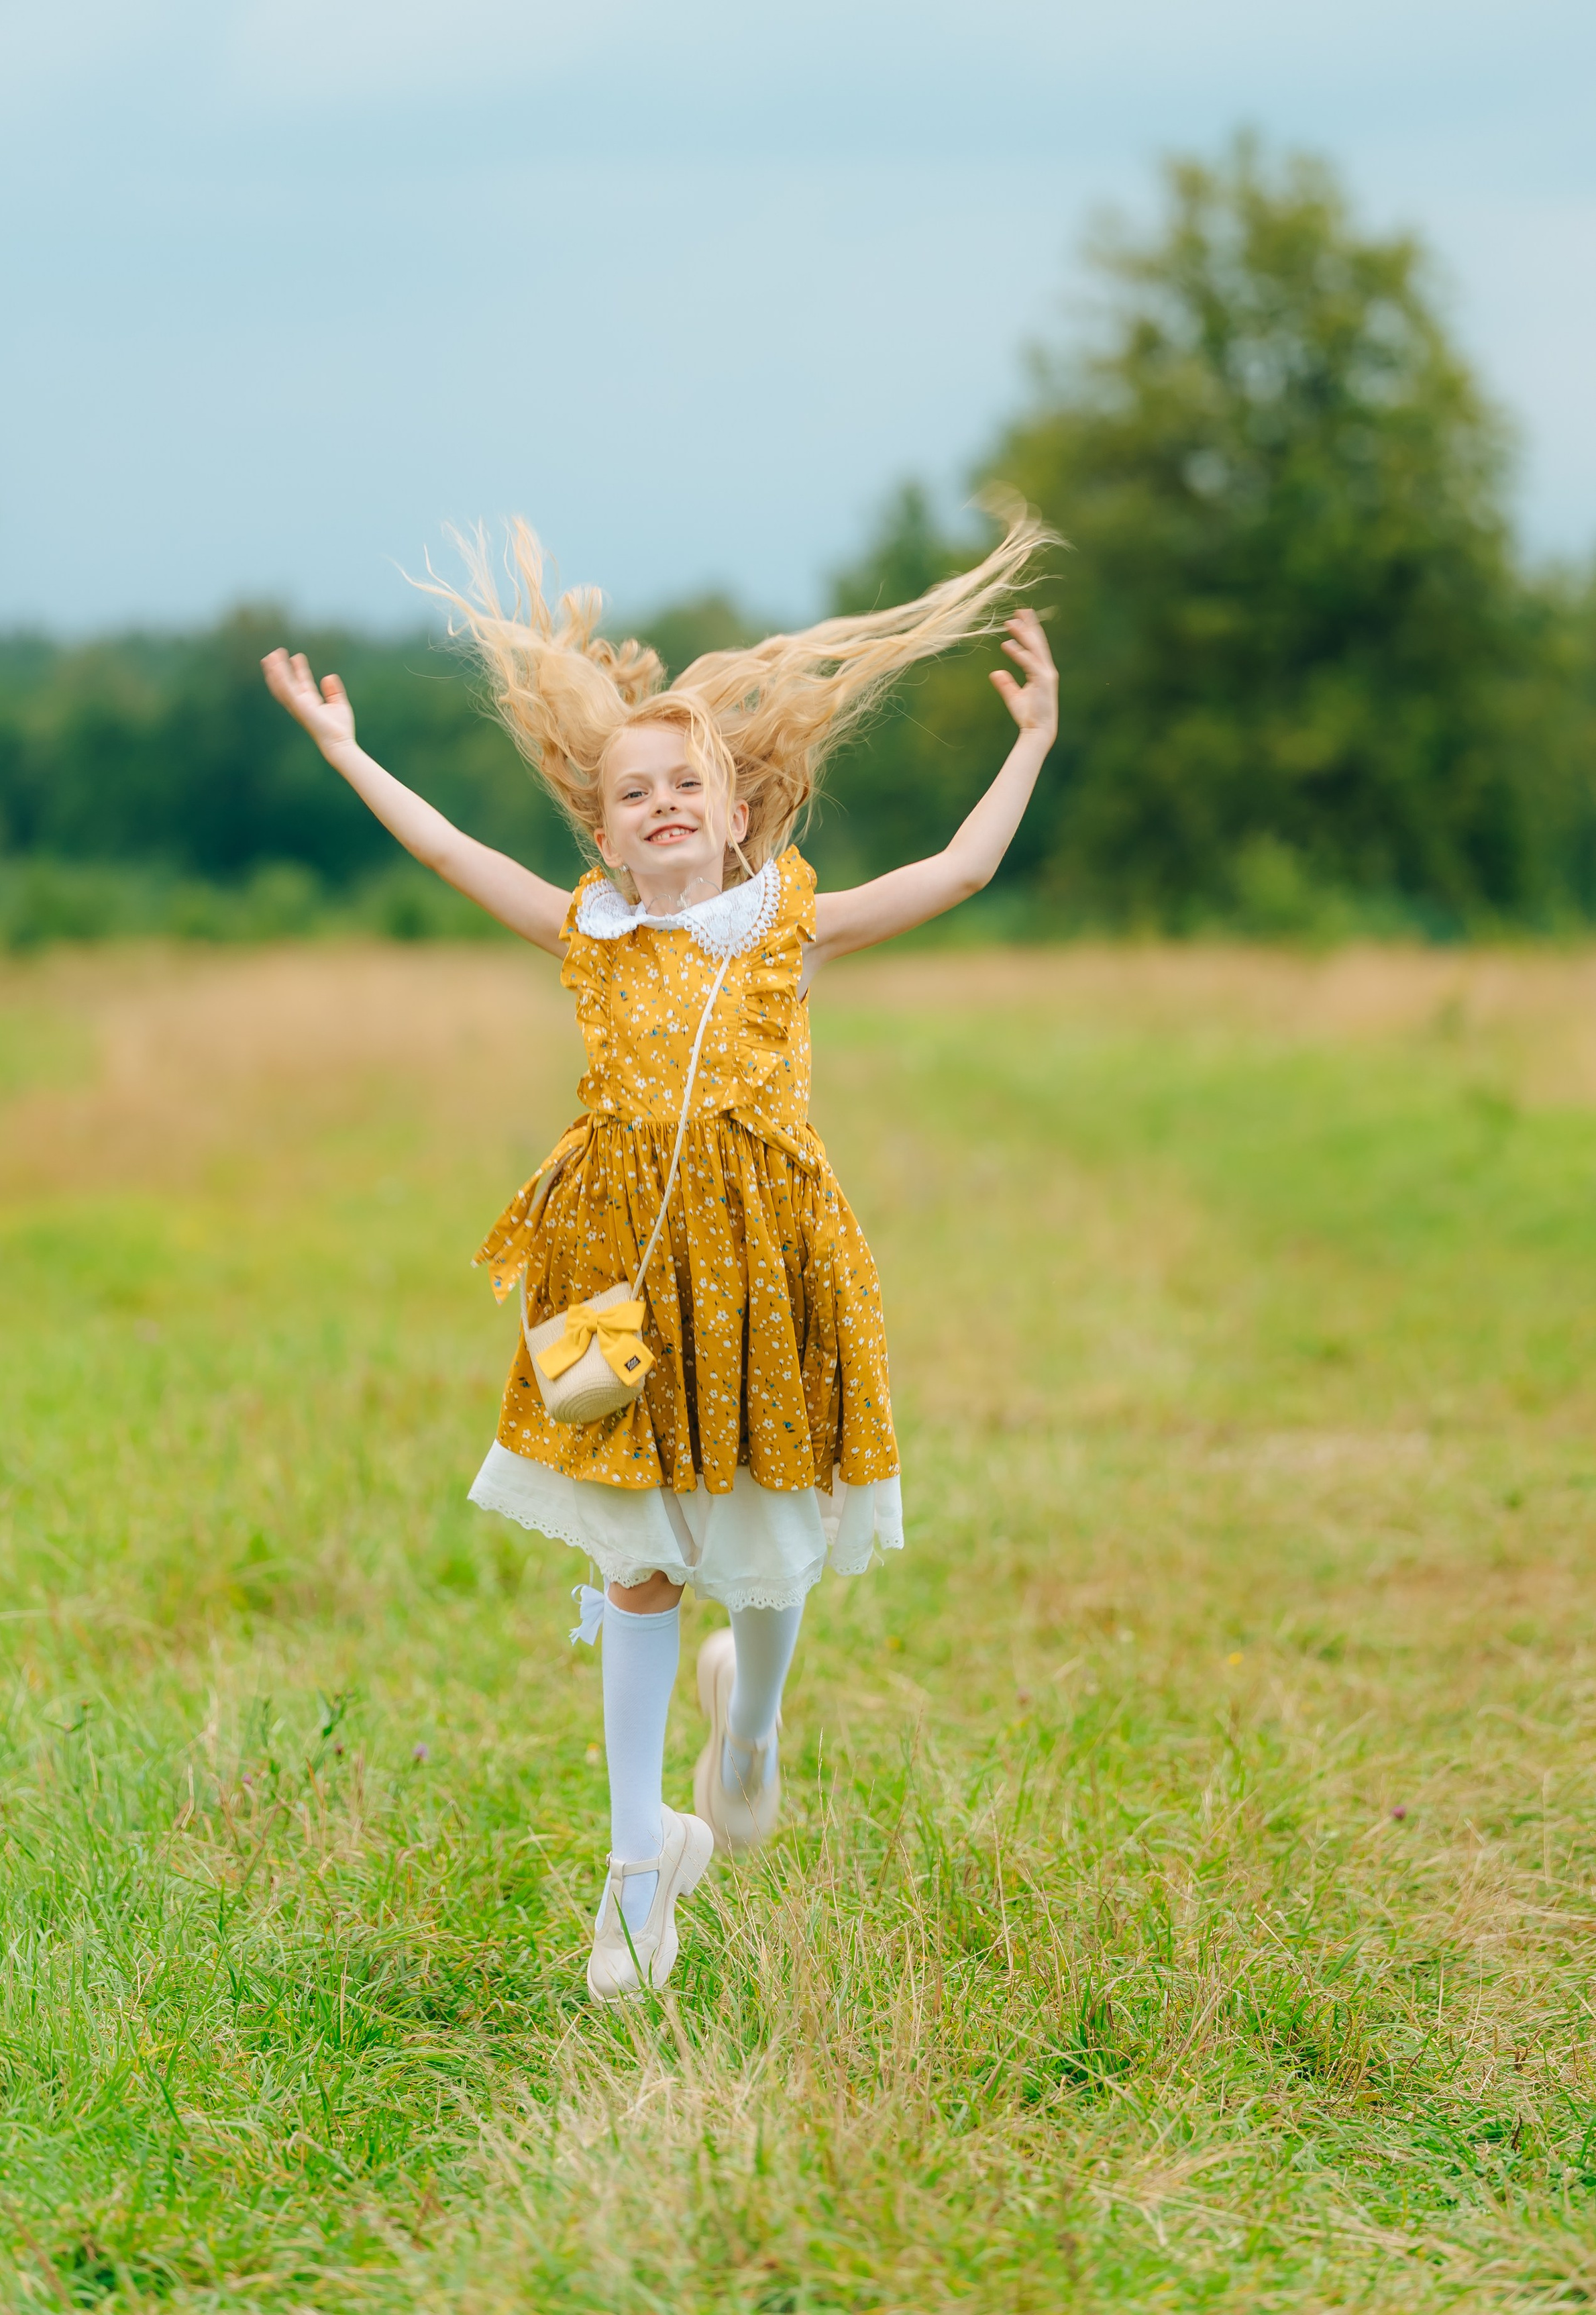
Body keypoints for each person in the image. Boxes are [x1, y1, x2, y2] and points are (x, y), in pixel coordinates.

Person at [261, 513, 1059, 2001]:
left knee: (772, 1546)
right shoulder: (587, 932)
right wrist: (341, 746)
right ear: (603, 825)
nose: (659, 804)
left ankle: (745, 1725)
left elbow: (955, 872)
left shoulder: (785, 929)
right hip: (614, 1280)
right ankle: (640, 1868)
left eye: (685, 782)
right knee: (636, 1563)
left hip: (772, 1272)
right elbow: (445, 847)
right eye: (630, 793)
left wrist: (1029, 742)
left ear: (737, 802)